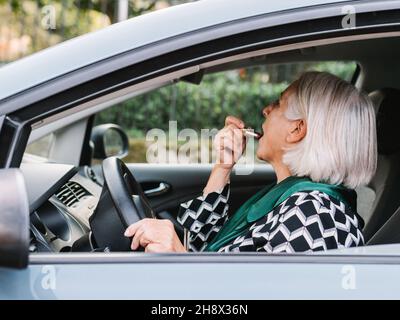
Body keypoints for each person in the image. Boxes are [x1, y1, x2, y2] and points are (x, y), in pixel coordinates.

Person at [124, 71, 377, 253]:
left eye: (278, 103)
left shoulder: (314, 216)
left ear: (297, 129)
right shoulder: (289, 198)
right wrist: (223, 167)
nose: (266, 109)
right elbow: (200, 245)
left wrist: (177, 259)